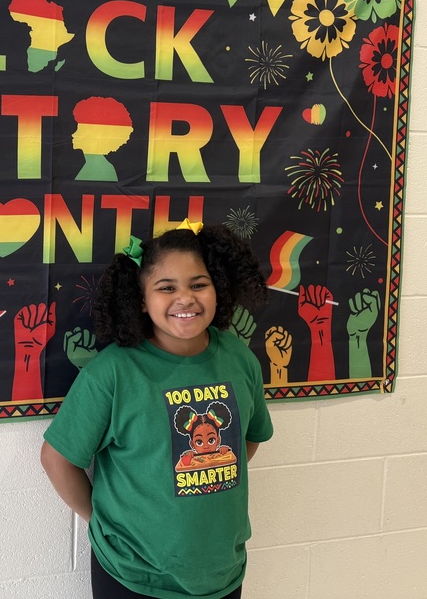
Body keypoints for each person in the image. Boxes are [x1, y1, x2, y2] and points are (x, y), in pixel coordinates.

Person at [40, 221, 272, 599]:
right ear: (141, 300)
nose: (186, 298)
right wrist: (101, 520)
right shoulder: (112, 373)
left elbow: (249, 438)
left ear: (218, 289)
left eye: (199, 284)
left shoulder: (239, 360)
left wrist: (212, 465)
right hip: (133, 577)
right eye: (167, 288)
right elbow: (57, 459)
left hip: (221, 573)